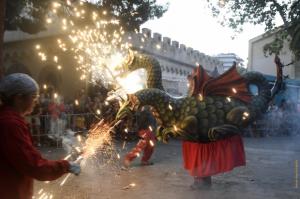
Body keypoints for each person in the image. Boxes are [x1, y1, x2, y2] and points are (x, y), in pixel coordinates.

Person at [0, 73, 81, 199]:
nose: (36, 102)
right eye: (33, 97)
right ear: (19, 98)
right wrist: (66, 166)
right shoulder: (10, 124)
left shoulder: (10, 119)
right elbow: (33, 165)